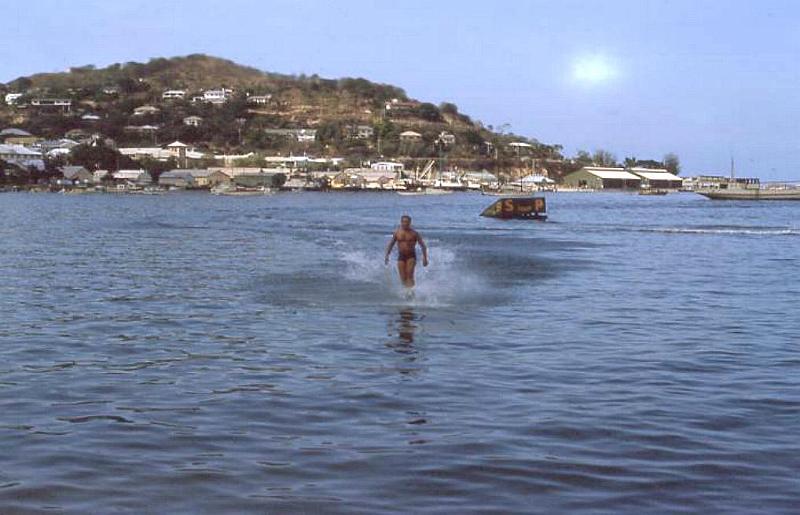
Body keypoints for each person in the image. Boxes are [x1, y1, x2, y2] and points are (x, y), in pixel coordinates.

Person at [384, 215, 428, 288]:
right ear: (401, 222)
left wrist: (425, 258)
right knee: (403, 277)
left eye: (407, 222)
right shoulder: (397, 233)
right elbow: (391, 244)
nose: (405, 223)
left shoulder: (414, 233)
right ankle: (406, 291)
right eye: (404, 222)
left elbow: (423, 246)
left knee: (410, 275)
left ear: (410, 223)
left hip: (411, 256)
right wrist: (387, 256)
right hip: (401, 256)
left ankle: (412, 291)